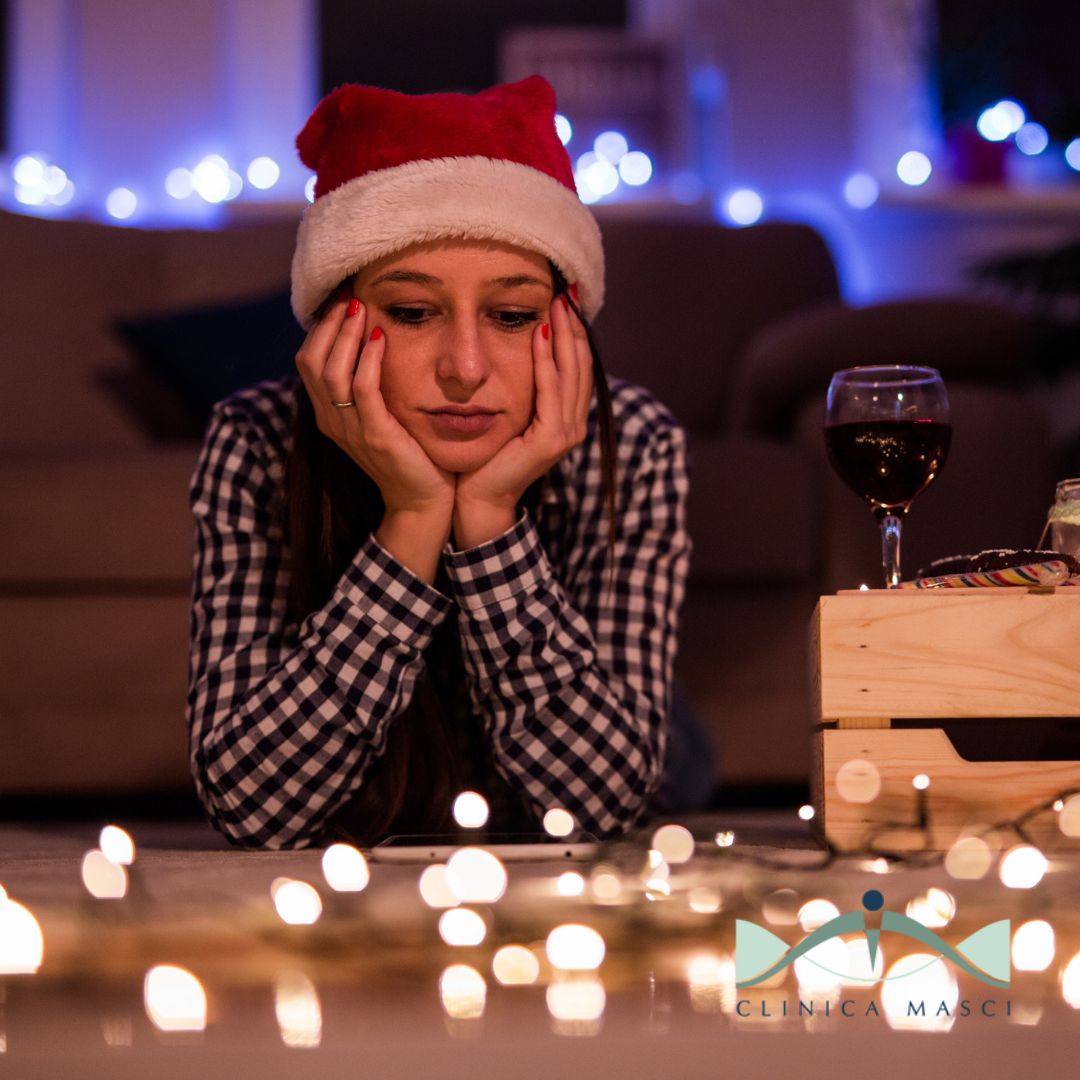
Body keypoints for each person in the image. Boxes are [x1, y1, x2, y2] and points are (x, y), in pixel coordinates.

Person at [187, 76, 692, 849]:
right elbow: (253, 811)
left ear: (565, 329)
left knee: (679, 759)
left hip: (622, 718)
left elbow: (602, 810)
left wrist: (488, 521)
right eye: (414, 313)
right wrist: (415, 519)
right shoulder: (253, 440)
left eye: (512, 316)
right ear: (337, 327)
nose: (464, 367)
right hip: (390, 798)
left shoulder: (635, 440)